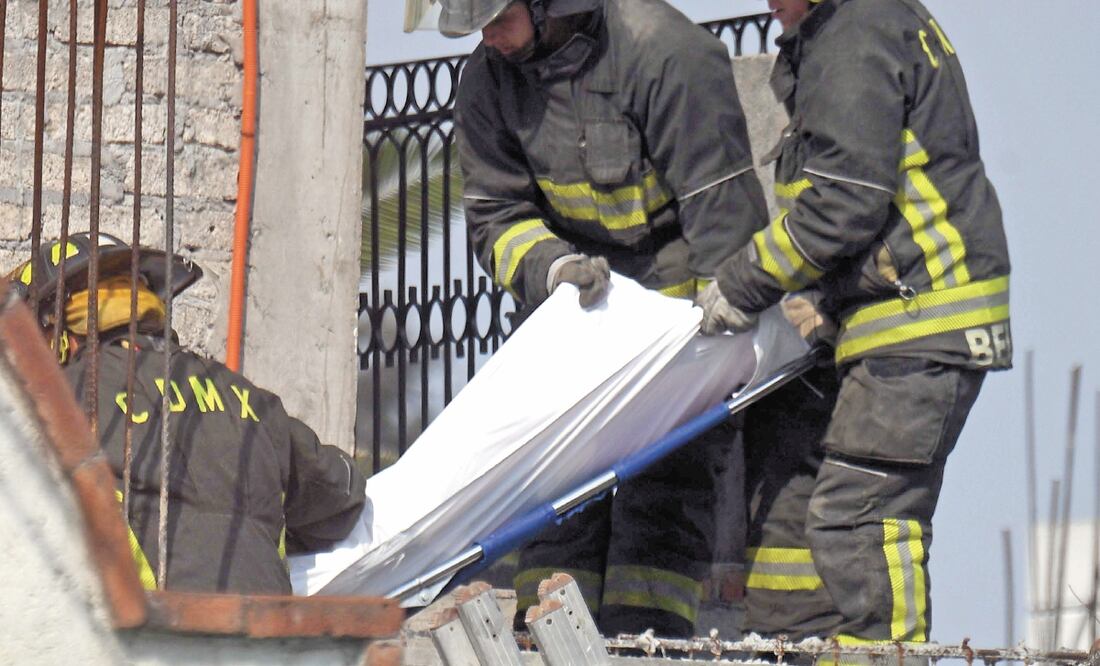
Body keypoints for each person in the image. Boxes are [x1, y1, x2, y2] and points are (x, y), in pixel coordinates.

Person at [427, 0, 771, 637]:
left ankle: (645, 641)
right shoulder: (489, 78)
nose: (487, 36)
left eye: (499, 17)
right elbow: (494, 217)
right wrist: (552, 269)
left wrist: (721, 323)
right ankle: (547, 638)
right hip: (576, 300)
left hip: (675, 293)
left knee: (667, 478)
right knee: (557, 486)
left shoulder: (666, 54)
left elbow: (721, 209)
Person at [699, 0, 1012, 645]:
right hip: (906, 317)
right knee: (843, 516)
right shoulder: (870, 24)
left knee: (860, 519)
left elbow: (843, 201)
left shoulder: (854, 36)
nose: (768, 5)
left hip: (918, 320)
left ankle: (890, 658)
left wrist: (743, 281)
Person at [8, 233, 367, 595]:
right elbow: (342, 497)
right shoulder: (250, 401)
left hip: (148, 644)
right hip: (270, 643)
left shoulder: (49, 407)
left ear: (55, 331)